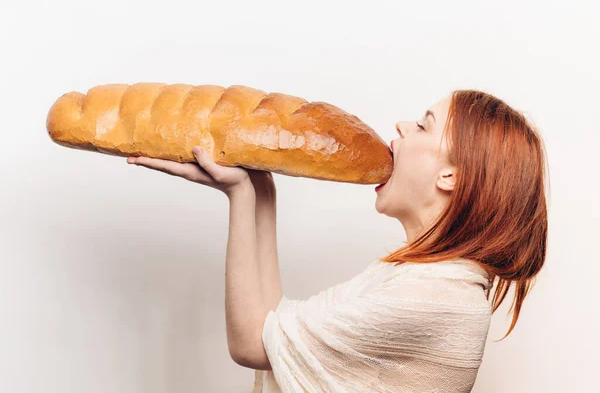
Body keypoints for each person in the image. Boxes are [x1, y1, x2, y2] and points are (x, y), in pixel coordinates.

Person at [127, 89, 548, 392]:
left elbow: (254, 344)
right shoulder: (416, 277)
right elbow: (279, 327)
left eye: (423, 125)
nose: (402, 125)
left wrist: (238, 196)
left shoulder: (435, 298)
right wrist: (261, 191)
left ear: (450, 176)